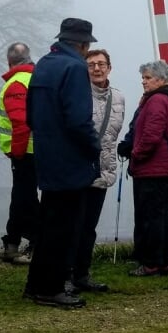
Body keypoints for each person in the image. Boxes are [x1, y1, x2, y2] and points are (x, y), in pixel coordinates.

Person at [24, 19, 101, 309]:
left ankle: (36, 284)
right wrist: (93, 148)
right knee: (65, 229)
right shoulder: (75, 68)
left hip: (47, 157)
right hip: (71, 161)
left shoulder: (44, 64)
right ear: (83, 45)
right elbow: (79, 121)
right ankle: (51, 288)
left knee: (47, 226)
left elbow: (30, 115)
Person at [69, 49, 125, 294]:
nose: (97, 68)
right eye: (91, 65)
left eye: (101, 64)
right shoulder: (77, 95)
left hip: (102, 170)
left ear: (109, 68)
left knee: (89, 226)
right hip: (78, 169)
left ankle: (82, 274)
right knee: (73, 225)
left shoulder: (119, 98)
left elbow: (112, 137)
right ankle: (66, 275)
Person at [121, 61, 168, 276]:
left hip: (153, 168)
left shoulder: (157, 100)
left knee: (150, 217)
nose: (143, 81)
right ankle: (165, 261)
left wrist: (135, 154)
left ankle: (151, 263)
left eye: (147, 77)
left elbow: (151, 135)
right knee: (163, 216)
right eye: (143, 77)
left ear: (160, 79)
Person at [0, 41, 37, 263]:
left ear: (9, 61)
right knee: (23, 197)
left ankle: (31, 241)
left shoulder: (16, 83)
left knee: (24, 198)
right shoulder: (36, 77)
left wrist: (17, 152)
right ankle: (13, 241)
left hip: (25, 151)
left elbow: (21, 124)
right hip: (37, 149)